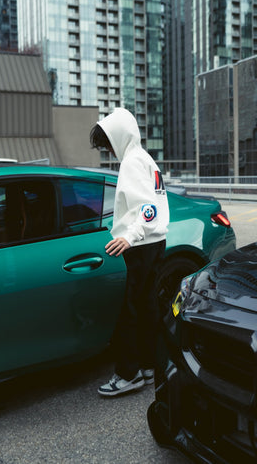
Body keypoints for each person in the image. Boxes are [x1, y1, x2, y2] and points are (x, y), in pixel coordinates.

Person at [90, 107, 170, 397]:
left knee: (130, 313)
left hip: (140, 245)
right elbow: (155, 205)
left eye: (109, 143)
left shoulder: (132, 162)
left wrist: (129, 236)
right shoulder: (146, 159)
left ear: (120, 136)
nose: (109, 150)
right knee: (148, 308)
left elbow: (147, 208)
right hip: (155, 243)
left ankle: (128, 374)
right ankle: (149, 367)